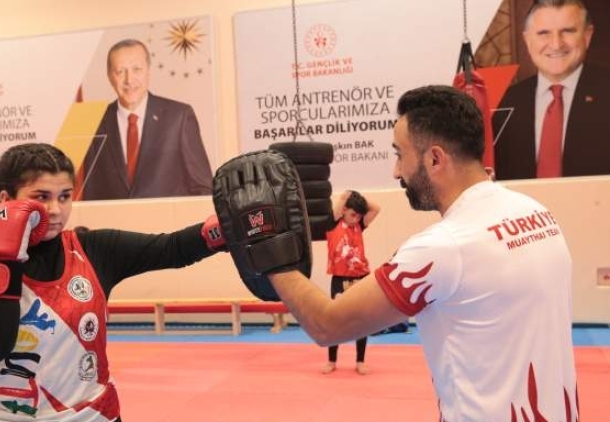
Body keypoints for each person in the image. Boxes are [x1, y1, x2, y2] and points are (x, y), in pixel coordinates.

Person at [261, 85, 578, 420]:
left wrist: (267, 247)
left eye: (400, 155)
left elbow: (327, 325)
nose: (396, 172)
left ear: (435, 159)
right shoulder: (537, 213)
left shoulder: (442, 247)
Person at [0, 142, 224, 421]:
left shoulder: (93, 250)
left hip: (86, 415)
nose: (55, 209)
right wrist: (2, 259)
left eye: (65, 196)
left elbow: (172, 248)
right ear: (6, 200)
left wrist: (226, 228)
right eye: (41, 196)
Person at [80, 38, 213, 200]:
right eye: (120, 71)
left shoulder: (179, 117)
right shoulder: (95, 122)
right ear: (109, 76)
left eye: (137, 69)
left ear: (148, 70)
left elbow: (203, 190)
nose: (129, 80)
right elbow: (91, 194)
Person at [493, 0, 610, 179]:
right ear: (527, 40)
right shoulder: (503, 101)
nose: (556, 44)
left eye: (567, 31)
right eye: (543, 33)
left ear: (587, 35)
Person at [321, 190, 380, 375]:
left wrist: (357, 196)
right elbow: (340, 203)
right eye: (353, 215)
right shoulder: (332, 224)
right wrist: (347, 195)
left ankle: (360, 361)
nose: (356, 219)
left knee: (361, 320)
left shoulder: (360, 226)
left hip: (360, 277)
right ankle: (331, 360)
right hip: (339, 278)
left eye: (359, 216)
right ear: (344, 210)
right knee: (335, 319)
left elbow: (376, 208)